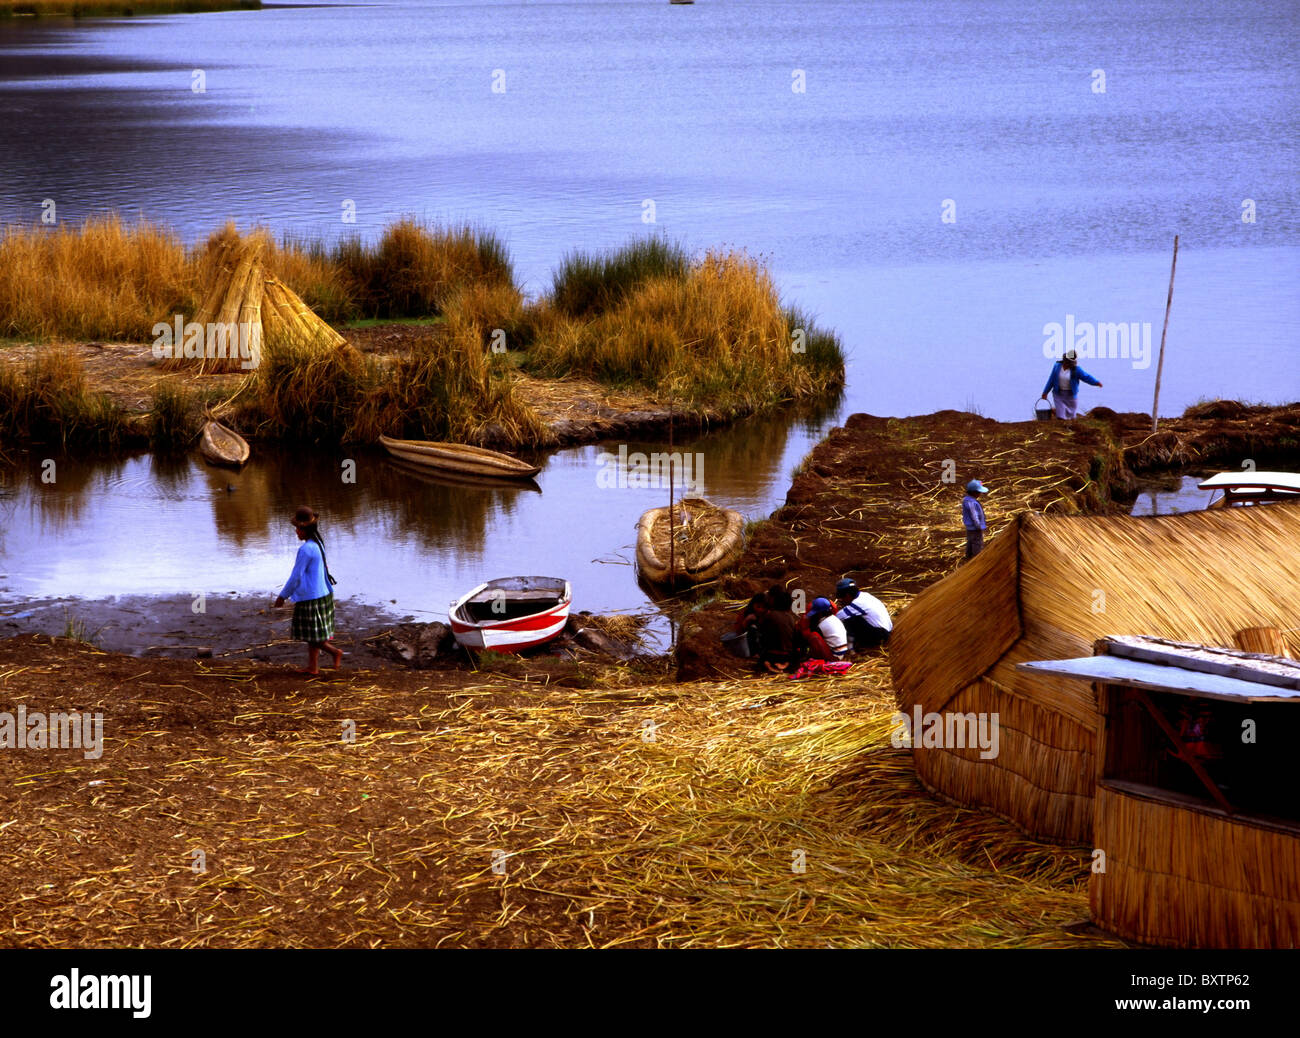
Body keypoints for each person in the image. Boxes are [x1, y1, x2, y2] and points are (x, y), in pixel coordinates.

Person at [274, 505, 342, 676]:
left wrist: (283, 596)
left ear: (305, 529)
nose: (296, 532)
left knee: (311, 635)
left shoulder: (305, 550)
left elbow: (296, 577)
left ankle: (334, 652)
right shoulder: (318, 544)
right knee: (314, 634)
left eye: (298, 528)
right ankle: (313, 667)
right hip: (323, 594)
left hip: (311, 597)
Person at [1041, 348, 1102, 420]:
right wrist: (1045, 392)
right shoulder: (1057, 366)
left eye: (1069, 363)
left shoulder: (1076, 370)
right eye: (1066, 362)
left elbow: (1086, 377)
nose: (1067, 364)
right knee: (1061, 415)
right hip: (1058, 394)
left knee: (1071, 415)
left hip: (1071, 395)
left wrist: (1096, 382)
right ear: (1064, 360)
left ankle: (1062, 418)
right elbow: (1051, 380)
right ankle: (1060, 421)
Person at [756, 586, 804, 674]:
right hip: (788, 656)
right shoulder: (790, 618)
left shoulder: (769, 615)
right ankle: (786, 664)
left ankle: (768, 663)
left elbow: (762, 634)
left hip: (772, 654)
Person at [833, 578, 891, 650]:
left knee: (849, 621)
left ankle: (856, 646)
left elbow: (837, 618)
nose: (841, 600)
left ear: (847, 595)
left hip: (881, 635)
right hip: (886, 629)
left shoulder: (857, 604)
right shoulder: (865, 595)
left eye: (842, 597)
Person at [962, 479, 989, 558]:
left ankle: (969, 556)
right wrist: (978, 526)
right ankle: (976, 557)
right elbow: (974, 515)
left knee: (970, 541)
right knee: (977, 542)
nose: (980, 493)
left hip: (970, 527)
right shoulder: (971, 503)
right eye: (979, 492)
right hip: (974, 527)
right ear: (974, 492)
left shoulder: (968, 500)